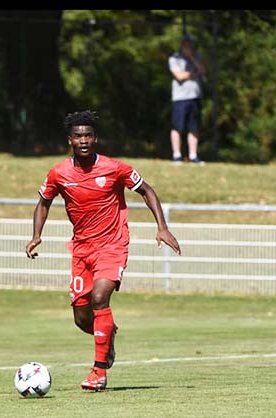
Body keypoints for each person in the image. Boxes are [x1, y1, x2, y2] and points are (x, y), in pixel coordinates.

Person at [25, 110, 182, 391]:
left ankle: (98, 372)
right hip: (81, 249)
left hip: (112, 245)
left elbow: (147, 190)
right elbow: (44, 202)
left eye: (88, 135)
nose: (83, 140)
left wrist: (162, 227)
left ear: (95, 138)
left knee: (100, 297)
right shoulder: (59, 173)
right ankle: (108, 335)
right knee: (82, 318)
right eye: (78, 136)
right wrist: (36, 236)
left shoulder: (115, 168)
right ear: (69, 140)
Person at [168, 34, 207, 165]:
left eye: (190, 44)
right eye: (186, 43)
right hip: (180, 98)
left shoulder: (197, 56)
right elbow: (179, 76)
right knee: (177, 127)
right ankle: (177, 155)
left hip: (195, 96)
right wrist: (194, 74)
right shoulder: (174, 58)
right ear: (182, 44)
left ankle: (193, 155)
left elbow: (202, 70)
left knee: (194, 127)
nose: (188, 46)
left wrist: (191, 58)